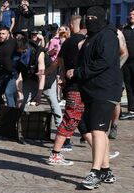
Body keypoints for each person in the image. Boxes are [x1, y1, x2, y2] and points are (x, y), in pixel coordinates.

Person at [67, 6, 122, 190]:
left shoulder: (107, 36)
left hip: (104, 89)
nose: (90, 20)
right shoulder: (91, 37)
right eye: (87, 17)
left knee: (98, 131)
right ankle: (105, 169)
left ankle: (95, 171)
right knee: (98, 131)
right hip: (91, 89)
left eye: (94, 17)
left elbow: (103, 62)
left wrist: (78, 72)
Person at [48, 15, 85, 166]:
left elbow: (59, 63)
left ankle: (101, 151)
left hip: (74, 85)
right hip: (77, 86)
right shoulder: (82, 42)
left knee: (85, 123)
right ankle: (55, 153)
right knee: (71, 118)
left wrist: (53, 74)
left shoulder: (68, 41)